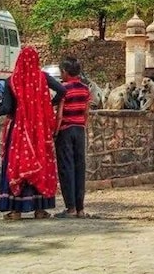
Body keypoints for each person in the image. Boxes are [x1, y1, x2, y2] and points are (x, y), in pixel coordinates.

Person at [0, 46, 58, 220]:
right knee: (39, 164)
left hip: (18, 133)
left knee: (16, 165)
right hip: (38, 132)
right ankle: (40, 210)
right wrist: (44, 105)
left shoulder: (11, 81)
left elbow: (7, 107)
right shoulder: (43, 78)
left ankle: (16, 211)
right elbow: (62, 91)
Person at [54, 56, 91, 219]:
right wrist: (83, 126)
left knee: (66, 168)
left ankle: (70, 208)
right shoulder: (85, 89)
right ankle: (80, 208)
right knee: (79, 167)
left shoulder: (63, 89)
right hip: (80, 129)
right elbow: (86, 112)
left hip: (66, 130)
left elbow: (60, 114)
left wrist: (55, 131)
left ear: (65, 72)